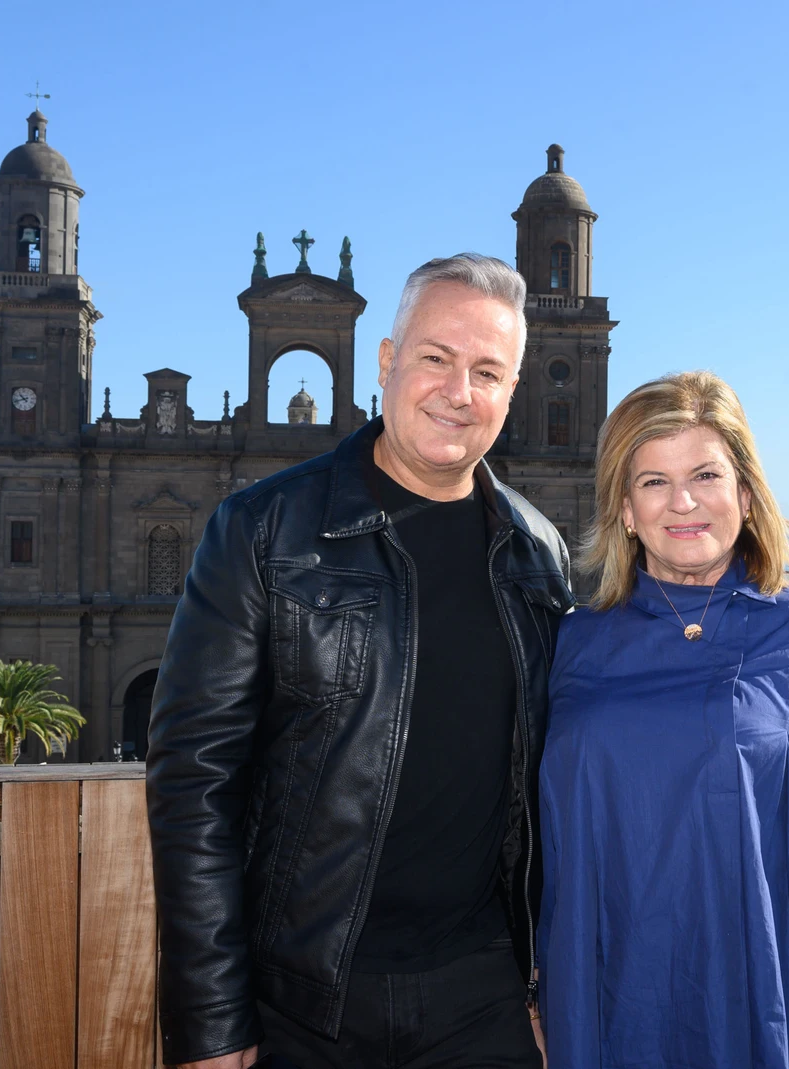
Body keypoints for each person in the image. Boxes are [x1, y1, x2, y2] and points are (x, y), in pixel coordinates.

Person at [147, 253, 572, 1069]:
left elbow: (552, 783)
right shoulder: (260, 530)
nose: (458, 391)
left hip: (483, 997)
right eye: (436, 357)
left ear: (511, 390)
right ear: (386, 360)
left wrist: (548, 983)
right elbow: (194, 781)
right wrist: (212, 1017)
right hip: (300, 1004)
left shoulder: (539, 552)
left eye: (487, 371)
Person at [539, 371, 789, 1068]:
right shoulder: (571, 645)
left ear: (745, 495)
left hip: (773, 994)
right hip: (602, 999)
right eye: (653, 481)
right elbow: (528, 845)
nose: (682, 501)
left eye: (705, 475)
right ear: (625, 510)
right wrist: (534, 1004)